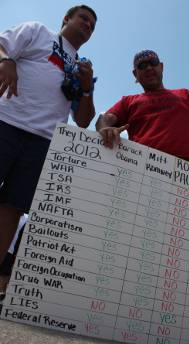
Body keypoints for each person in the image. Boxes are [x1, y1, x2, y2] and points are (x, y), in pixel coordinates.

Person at [0, 5, 97, 289]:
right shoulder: (37, 31)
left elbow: (83, 121)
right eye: (84, 18)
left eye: (92, 25)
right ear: (66, 18)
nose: (88, 25)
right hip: (5, 121)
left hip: (44, 141)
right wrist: (7, 62)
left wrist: (87, 88)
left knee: (13, 208)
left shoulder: (82, 67)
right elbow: (2, 46)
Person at [96, 50, 189, 193]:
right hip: (141, 170)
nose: (149, 68)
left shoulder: (185, 95)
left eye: (153, 63)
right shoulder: (127, 102)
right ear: (135, 75)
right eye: (142, 66)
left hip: (183, 173)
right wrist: (104, 128)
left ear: (161, 67)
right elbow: (105, 119)